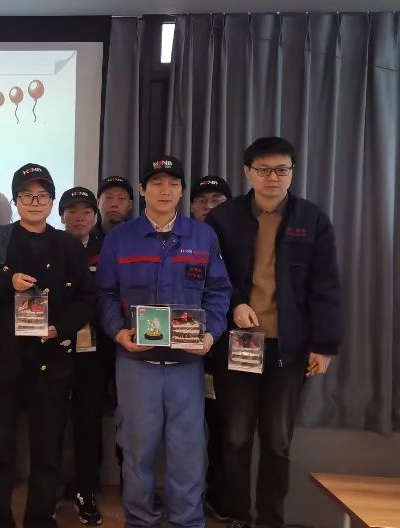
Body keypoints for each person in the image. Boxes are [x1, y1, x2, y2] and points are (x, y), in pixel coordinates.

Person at [206, 137, 341, 528]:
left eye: (282, 169)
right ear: (247, 172)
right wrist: (235, 303)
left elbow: (326, 287)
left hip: (289, 348)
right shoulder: (223, 219)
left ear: (292, 173)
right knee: (234, 438)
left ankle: (270, 520)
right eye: (263, 170)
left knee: (278, 441)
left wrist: (324, 346)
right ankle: (237, 515)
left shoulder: (312, 220)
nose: (273, 178)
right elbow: (211, 276)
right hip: (237, 345)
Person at [95, 156, 231, 528]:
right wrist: (118, 331)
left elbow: (218, 291)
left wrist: (210, 334)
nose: (165, 190)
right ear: (142, 190)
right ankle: (140, 520)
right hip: (136, 364)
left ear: (182, 191)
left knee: (188, 451)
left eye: (173, 183)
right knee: (137, 449)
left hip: (187, 365)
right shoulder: (121, 239)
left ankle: (187, 521)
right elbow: (105, 293)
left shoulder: (202, 237)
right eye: (156, 183)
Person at [0, 164, 94, 528]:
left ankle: (40, 519)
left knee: (47, 450)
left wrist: (60, 328)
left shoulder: (68, 245)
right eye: (26, 195)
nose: (34, 202)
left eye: (42, 196)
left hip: (50, 359)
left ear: (52, 202)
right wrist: (7, 282)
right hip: (2, 358)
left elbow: (86, 299)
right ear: (16, 201)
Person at [58, 186, 111, 526]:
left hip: (96, 351)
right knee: (50, 422)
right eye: (72, 211)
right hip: (55, 347)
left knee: (88, 422)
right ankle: (48, 490)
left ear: (95, 216)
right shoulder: (50, 245)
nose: (79, 217)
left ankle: (85, 490)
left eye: (86, 211)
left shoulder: (108, 249)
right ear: (61, 215)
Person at [184, 172, 232, 520]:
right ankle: (185, 497)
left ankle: (218, 495)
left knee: (224, 426)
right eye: (202, 201)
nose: (209, 207)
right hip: (181, 349)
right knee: (183, 430)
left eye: (217, 202)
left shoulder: (240, 238)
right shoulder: (184, 238)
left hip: (228, 346)